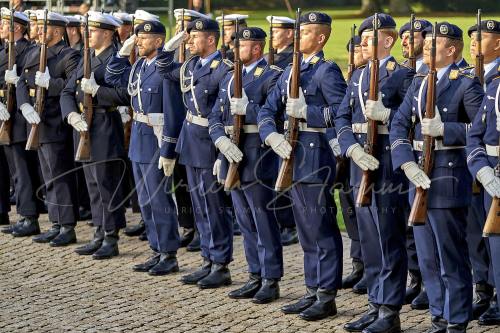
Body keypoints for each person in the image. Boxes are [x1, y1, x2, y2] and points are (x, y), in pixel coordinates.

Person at [390, 22, 484, 333]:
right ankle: (438, 317)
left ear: (452, 50)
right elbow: (399, 125)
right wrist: (405, 164)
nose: (426, 50)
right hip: (417, 176)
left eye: (433, 45)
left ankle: (456, 320)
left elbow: (480, 131)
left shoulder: (466, 83)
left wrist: (446, 130)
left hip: (447, 178)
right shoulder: (419, 81)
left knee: (450, 257)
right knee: (428, 258)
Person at [259, 11, 346, 321]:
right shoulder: (289, 71)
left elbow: (341, 113)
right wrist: (270, 136)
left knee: (321, 228)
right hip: (291, 157)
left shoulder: (326, 72)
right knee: (305, 229)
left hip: (315, 158)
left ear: (321, 38)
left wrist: (308, 111)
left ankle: (327, 294)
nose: (298, 37)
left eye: (306, 32)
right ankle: (312, 289)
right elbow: (268, 109)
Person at [337, 13, 412, 333]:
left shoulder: (402, 75)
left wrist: (387, 115)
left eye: (370, 39)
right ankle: (374, 303)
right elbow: (341, 116)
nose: (364, 43)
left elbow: (414, 120)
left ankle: (390, 311)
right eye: (363, 39)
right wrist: (350, 148)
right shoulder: (357, 76)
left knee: (387, 239)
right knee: (367, 239)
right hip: (359, 165)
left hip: (385, 167)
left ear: (388, 40)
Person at [156, 17, 234, 289]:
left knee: (214, 207)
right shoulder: (190, 64)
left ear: (210, 40)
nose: (190, 42)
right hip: (189, 140)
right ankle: (206, 260)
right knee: (199, 206)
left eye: (194, 37)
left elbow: (224, 111)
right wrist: (175, 40)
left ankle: (221, 264)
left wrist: (222, 154)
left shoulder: (223, 68)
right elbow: (163, 68)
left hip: (209, 143)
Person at [208, 26, 284, 304]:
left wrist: (248, 108)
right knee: (244, 218)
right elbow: (215, 114)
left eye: (241, 46)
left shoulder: (271, 77)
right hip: (231, 152)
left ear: (256, 48)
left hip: (257, 154)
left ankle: (271, 278)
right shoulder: (230, 77)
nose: (234, 50)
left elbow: (275, 117)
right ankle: (255, 274)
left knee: (262, 218)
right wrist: (220, 144)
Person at [106, 20, 185, 275]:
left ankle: (169, 254)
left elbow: (174, 112)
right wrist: (121, 52)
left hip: (157, 138)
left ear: (159, 42)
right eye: (137, 37)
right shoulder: (139, 65)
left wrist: (169, 149)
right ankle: (156, 248)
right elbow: (111, 76)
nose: (138, 41)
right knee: (145, 200)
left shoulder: (165, 69)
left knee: (159, 198)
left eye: (143, 38)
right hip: (140, 138)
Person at [61, 11, 129, 260]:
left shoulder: (116, 59)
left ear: (108, 34)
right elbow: (68, 90)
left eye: (94, 30)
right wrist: (71, 115)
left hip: (103, 125)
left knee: (106, 183)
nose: (87, 34)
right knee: (92, 183)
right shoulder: (87, 56)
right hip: (82, 126)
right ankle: (99, 231)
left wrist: (99, 91)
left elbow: (125, 95)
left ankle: (111, 235)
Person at [16, 10, 81, 246]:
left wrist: (50, 84)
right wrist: (24, 105)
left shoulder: (68, 55)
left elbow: (70, 85)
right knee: (47, 176)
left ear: (56, 31)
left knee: (59, 175)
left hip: (54, 123)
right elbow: (22, 81)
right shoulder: (34, 51)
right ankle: (55, 222)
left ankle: (67, 225)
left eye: (43, 28)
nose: (39, 32)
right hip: (35, 121)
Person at [464, 19, 500, 321]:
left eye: (482, 37)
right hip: (475, 167)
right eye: (472, 38)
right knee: (476, 232)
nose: (475, 42)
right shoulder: (466, 76)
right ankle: (485, 289)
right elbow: (474, 130)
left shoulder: (496, 78)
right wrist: (479, 165)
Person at [396, 18, 433, 311]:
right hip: (403, 156)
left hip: (431, 158)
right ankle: (416, 277)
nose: (406, 41)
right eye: (403, 37)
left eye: (412, 36)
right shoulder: (402, 71)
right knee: (409, 224)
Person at [1, 9, 44, 236]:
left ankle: (29, 217)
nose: (0, 27)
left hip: (18, 118)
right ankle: (26, 214)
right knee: (16, 170)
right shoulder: (6, 50)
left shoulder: (26, 50)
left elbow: (26, 83)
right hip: (5, 116)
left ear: (16, 27)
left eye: (4, 24)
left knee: (22, 169)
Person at [263, 14, 298, 247]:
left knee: (284, 175)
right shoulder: (270, 57)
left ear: (289, 33)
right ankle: (279, 220)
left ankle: (289, 224)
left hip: (282, 123)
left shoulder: (290, 59)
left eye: (277, 30)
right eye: (272, 30)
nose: (272, 34)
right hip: (269, 123)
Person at [338, 34, 368, 293]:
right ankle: (359, 263)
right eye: (354, 50)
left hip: (365, 153)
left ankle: (369, 265)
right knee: (350, 210)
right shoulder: (354, 80)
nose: (356, 54)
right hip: (348, 153)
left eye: (358, 49)